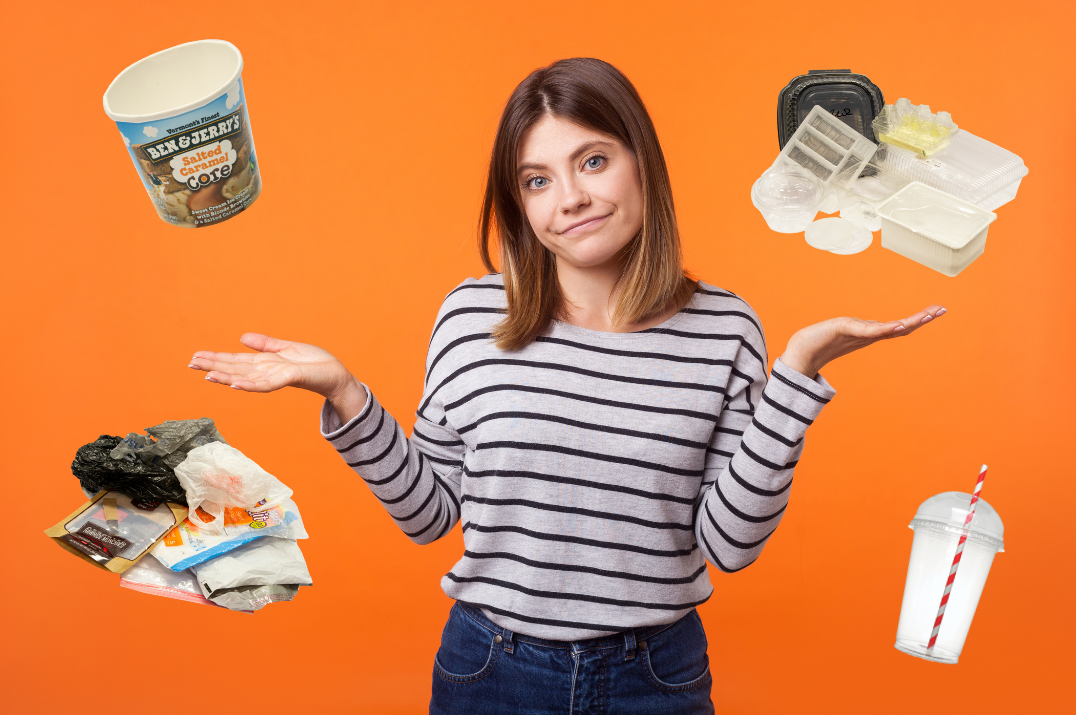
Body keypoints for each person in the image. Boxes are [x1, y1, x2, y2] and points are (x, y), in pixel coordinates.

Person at [189, 58, 944, 714]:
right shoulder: (471, 313)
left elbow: (730, 544)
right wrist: (346, 393)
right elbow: (431, 516)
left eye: (592, 161)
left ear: (640, 159)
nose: (569, 199)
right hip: (490, 670)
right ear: (520, 203)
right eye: (537, 180)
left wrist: (796, 378)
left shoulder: (726, 328)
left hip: (658, 674)